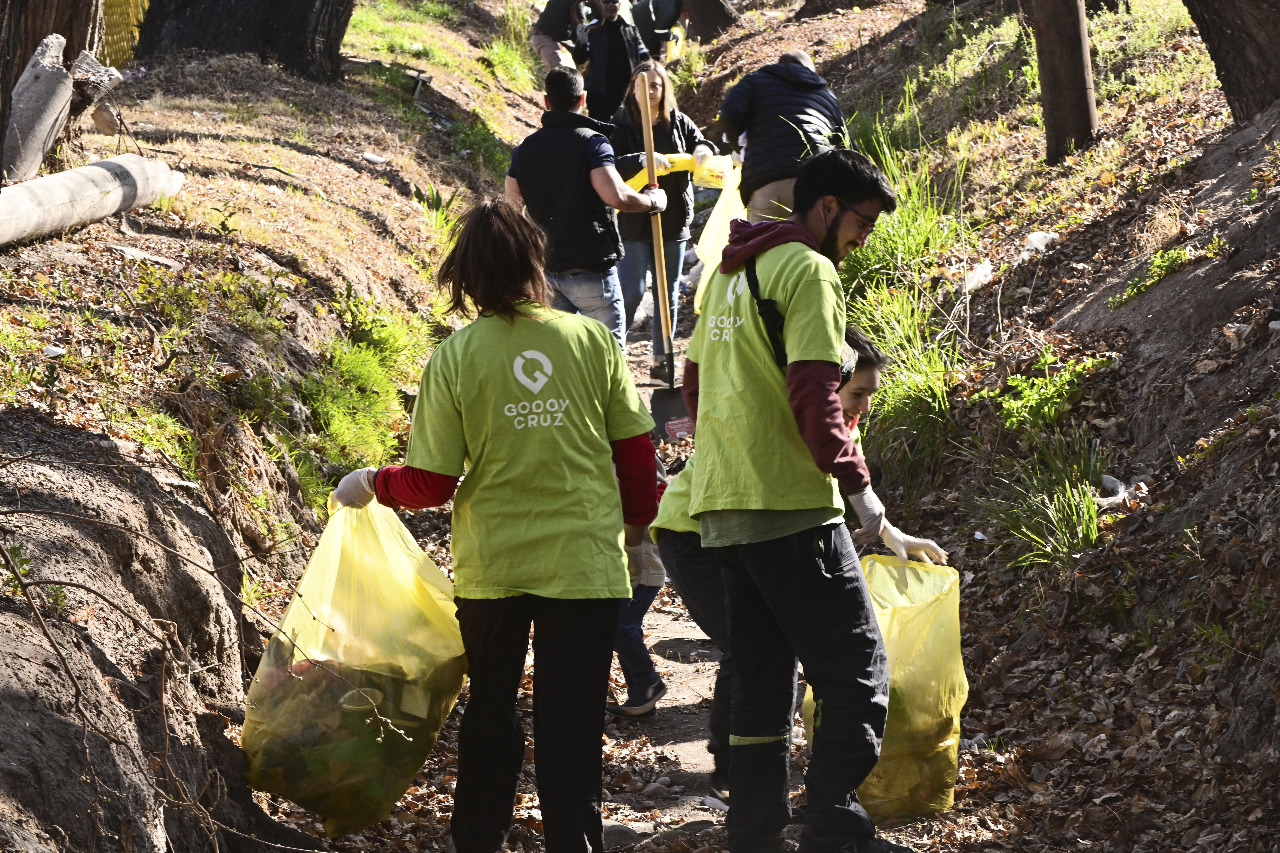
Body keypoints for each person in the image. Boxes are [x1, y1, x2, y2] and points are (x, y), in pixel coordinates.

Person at [330, 199, 659, 853]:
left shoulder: (455, 358)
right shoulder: (591, 340)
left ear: (468, 280)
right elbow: (637, 459)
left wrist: (371, 481)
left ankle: (477, 840)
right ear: (536, 263)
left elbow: (432, 482)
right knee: (572, 722)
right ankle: (575, 842)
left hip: (495, 569)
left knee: (491, 712)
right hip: (585, 566)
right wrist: (635, 526)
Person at [679, 148, 913, 853]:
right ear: (827, 207)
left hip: (725, 509)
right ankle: (834, 826)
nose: (863, 238)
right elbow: (817, 396)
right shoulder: (809, 272)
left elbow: (692, 385)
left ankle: (753, 830)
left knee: (762, 679)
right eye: (862, 222)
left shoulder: (729, 273)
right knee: (857, 671)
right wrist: (860, 490)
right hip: (790, 507)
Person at [651, 328, 946, 808]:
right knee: (749, 648)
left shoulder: (838, 417)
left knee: (768, 648)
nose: (864, 406)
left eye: (872, 394)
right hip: (694, 535)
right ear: (831, 387)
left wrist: (894, 536)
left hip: (746, 530)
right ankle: (731, 780)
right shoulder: (791, 415)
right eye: (857, 394)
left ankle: (756, 791)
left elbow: (851, 469)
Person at [507, 66, 667, 349]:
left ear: (546, 101)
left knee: (558, 351)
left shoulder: (525, 149)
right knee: (605, 351)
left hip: (546, 269)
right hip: (590, 267)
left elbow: (513, 205)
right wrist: (653, 202)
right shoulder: (593, 142)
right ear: (582, 99)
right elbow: (616, 196)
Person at [610, 60, 716, 380]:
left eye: (656, 85)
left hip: (672, 222)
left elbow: (704, 145)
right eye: (644, 86)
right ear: (634, 89)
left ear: (664, 88)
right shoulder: (621, 123)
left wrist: (703, 153)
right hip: (633, 221)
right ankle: (613, 355)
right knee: (630, 290)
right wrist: (641, 160)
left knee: (666, 294)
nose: (651, 91)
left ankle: (662, 361)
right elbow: (608, 162)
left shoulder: (679, 122)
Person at [717, 50, 847, 223]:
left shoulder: (755, 81)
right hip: (819, 185)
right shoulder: (826, 94)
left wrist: (740, 149)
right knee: (816, 248)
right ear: (811, 71)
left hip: (769, 184)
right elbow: (845, 145)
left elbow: (729, 114)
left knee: (766, 246)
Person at [607, 520, 668, 716]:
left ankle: (648, 682)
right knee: (627, 628)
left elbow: (646, 510)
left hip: (643, 569)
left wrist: (634, 557)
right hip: (630, 568)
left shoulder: (652, 490)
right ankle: (641, 698)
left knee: (620, 628)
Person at [573, 0, 650, 121]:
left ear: (620, 4)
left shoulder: (630, 29)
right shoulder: (591, 29)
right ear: (599, 4)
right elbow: (580, 59)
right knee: (600, 134)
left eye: (614, 1)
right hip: (600, 95)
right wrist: (581, 42)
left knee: (627, 134)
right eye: (606, 1)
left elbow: (645, 58)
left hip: (627, 94)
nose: (610, 4)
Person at [531, 0, 594, 69]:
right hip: (546, 38)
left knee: (569, 72)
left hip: (545, 37)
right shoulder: (576, 3)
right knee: (561, 72)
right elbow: (581, 28)